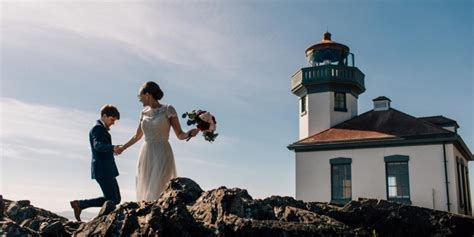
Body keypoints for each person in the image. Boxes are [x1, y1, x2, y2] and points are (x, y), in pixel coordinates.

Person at [116, 81, 199, 201]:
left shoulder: (168, 109)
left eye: (140, 96)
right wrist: (122, 147)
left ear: (148, 94)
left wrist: (190, 133)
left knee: (158, 187)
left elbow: (180, 134)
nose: (139, 99)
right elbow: (137, 136)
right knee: (145, 186)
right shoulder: (143, 113)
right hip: (146, 153)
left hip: (162, 151)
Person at [70, 104, 122, 222]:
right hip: (102, 169)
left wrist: (112, 150)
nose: (113, 123)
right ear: (104, 116)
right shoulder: (97, 128)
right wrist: (112, 148)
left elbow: (102, 148)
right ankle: (80, 205)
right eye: (112, 119)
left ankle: (80, 204)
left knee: (116, 199)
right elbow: (97, 145)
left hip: (108, 169)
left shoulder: (101, 129)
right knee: (112, 200)